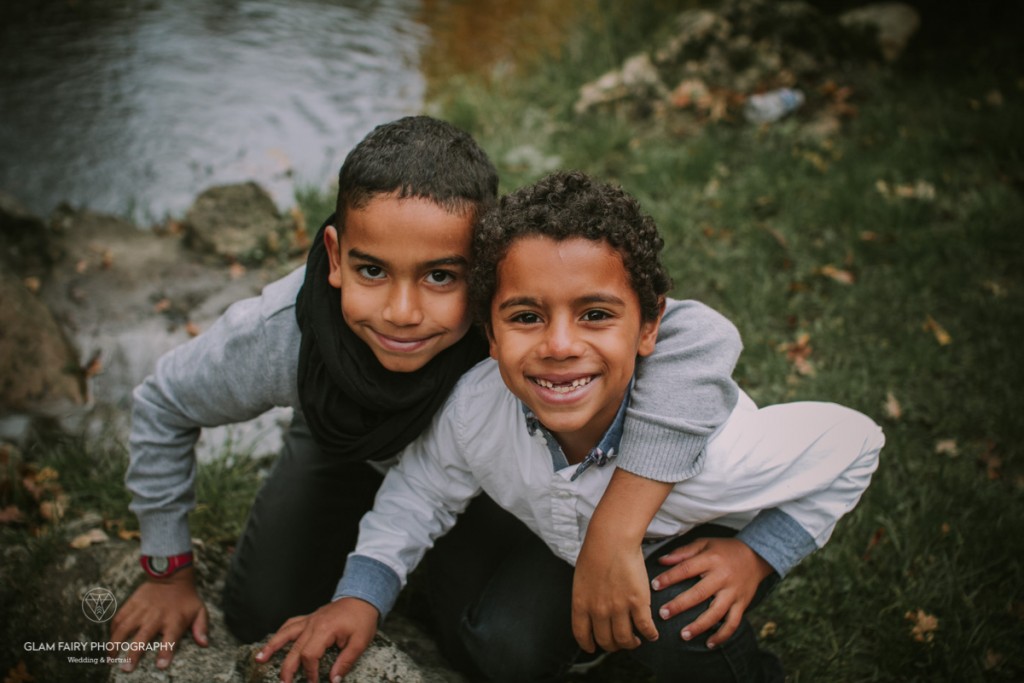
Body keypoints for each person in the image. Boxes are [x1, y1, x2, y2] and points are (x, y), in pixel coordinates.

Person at [109, 118, 751, 673]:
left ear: (487, 268)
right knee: (261, 615)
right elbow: (165, 403)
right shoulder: (282, 336)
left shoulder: (521, 315)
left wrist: (613, 534)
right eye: (371, 271)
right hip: (343, 448)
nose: (403, 311)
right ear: (335, 256)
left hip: (481, 462)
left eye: (442, 276)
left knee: (486, 642)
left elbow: (688, 334)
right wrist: (167, 569)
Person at [260, 170, 884, 683]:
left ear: (648, 328)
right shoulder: (476, 409)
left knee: (676, 623)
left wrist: (755, 555)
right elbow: (418, 491)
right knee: (497, 647)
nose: (560, 345)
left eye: (594, 314)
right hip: (565, 546)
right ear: (489, 331)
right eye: (526, 316)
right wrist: (360, 594)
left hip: (687, 550)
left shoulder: (721, 450)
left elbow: (856, 441)